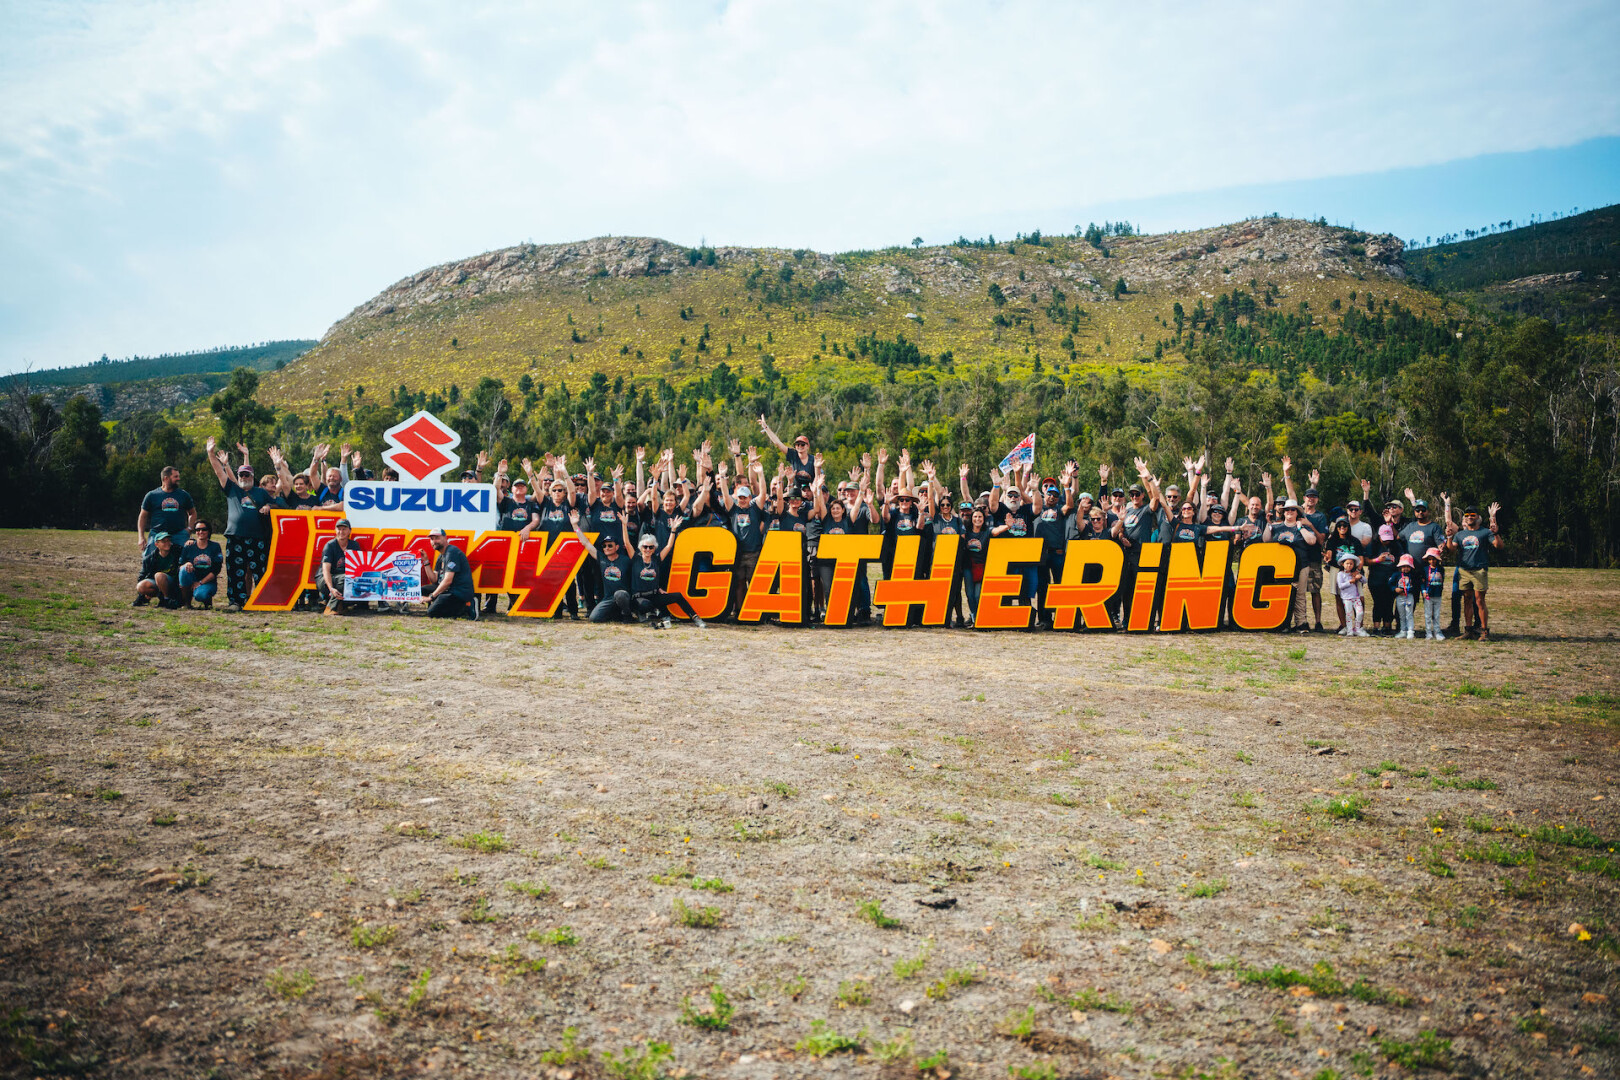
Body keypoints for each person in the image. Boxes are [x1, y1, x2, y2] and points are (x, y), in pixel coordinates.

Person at [205, 437, 273, 610]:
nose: (244, 477)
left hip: (257, 538)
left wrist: (268, 506)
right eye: (241, 474)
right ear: (238, 476)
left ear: (252, 476)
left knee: (260, 571)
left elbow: (276, 503)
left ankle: (263, 600)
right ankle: (236, 602)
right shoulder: (232, 489)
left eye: (247, 474)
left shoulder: (261, 492)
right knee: (235, 571)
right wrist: (210, 453)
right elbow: (218, 471)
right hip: (236, 537)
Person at [1447, 503, 1503, 641]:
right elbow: (1451, 549)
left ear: (1477, 517)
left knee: (1479, 600)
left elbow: (1499, 546)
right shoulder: (1460, 535)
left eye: (1473, 515)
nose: (1470, 517)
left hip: (1479, 570)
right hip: (1464, 570)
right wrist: (1449, 537)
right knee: (1467, 600)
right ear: (1464, 518)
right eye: (1467, 515)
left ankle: (1484, 631)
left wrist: (1496, 533)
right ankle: (1468, 630)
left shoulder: (1485, 532)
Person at [1264, 499, 1317, 634]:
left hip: (1300, 565)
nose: (1289, 512)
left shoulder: (1301, 527)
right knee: (1282, 594)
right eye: (1287, 510)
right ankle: (1283, 622)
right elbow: (1265, 540)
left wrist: (1300, 528)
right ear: (1283, 512)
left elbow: (1312, 541)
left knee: (1299, 595)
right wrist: (1268, 524)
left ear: (1297, 512)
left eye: (1293, 510)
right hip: (1281, 567)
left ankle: (1301, 623)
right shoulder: (1276, 527)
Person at [573, 508, 633, 623]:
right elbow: (585, 543)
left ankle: (627, 615)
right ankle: (614, 613)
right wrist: (575, 525)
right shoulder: (602, 559)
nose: (606, 548)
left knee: (620, 594)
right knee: (594, 618)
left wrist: (624, 525)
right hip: (608, 598)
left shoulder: (625, 560)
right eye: (604, 546)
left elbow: (627, 543)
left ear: (617, 547)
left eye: (610, 545)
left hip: (624, 596)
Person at [137, 466, 197, 553]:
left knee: (184, 560)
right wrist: (141, 537)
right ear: (166, 478)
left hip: (179, 534)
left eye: (178, 476)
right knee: (149, 559)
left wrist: (189, 529)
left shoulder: (183, 495)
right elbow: (143, 516)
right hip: (157, 534)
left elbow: (192, 513)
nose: (178, 479)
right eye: (175, 476)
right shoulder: (152, 495)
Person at [424, 528, 477, 619]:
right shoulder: (441, 556)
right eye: (431, 539)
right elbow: (434, 580)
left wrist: (431, 597)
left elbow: (448, 581)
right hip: (448, 589)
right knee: (422, 590)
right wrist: (425, 561)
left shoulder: (451, 553)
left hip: (458, 592)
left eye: (437, 538)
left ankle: (467, 605)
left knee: (432, 612)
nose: (434, 541)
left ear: (445, 538)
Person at [178, 520, 222, 609]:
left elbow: (216, 570)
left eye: (204, 529)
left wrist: (200, 582)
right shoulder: (188, 546)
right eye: (198, 529)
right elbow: (180, 565)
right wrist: (187, 563)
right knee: (184, 570)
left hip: (207, 581)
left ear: (208, 531)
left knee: (200, 595)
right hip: (192, 578)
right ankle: (187, 603)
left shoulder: (215, 546)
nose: (200, 532)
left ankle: (207, 601)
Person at [134, 532, 181, 608]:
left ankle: (167, 599)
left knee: (159, 575)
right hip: (158, 583)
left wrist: (191, 540)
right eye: (163, 541)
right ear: (156, 544)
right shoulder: (150, 558)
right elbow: (142, 575)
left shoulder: (177, 551)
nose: (167, 543)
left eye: (168, 540)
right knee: (141, 586)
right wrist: (142, 594)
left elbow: (188, 552)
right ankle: (160, 596)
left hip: (174, 582)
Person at [319, 518, 356, 616]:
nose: (341, 532)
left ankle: (341, 605)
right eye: (339, 529)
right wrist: (331, 589)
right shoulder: (330, 546)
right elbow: (325, 571)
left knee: (353, 580)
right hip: (326, 579)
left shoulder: (354, 545)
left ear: (349, 531)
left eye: (344, 529)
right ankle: (331, 608)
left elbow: (358, 567)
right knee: (345, 579)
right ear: (335, 530)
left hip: (342, 579)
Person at [1335, 554, 1368, 637]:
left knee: (1360, 613)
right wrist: (1350, 582)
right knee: (1349, 614)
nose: (1349, 565)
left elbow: (1364, 581)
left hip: (1356, 597)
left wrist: (1359, 577)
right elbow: (1341, 586)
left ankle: (1357, 628)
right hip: (1346, 598)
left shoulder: (1355, 573)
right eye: (1347, 563)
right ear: (1343, 564)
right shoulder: (1340, 574)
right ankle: (1349, 630)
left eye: (1351, 564)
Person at [1421, 547, 1446, 641]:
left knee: (1436, 615)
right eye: (1430, 559)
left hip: (1437, 595)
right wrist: (1423, 591)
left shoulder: (1441, 569)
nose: (1432, 561)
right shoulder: (1425, 569)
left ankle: (1437, 632)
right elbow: (1422, 582)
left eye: (1434, 559)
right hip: (1428, 595)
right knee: (1428, 615)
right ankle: (1428, 632)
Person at [1392, 553, 1419, 639]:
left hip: (1409, 596)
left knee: (1409, 614)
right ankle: (1403, 631)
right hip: (1400, 597)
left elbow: (1416, 586)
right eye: (1403, 566)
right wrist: (1395, 589)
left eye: (1407, 566)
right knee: (1402, 615)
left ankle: (1410, 631)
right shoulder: (1396, 575)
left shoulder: (1413, 576)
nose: (1405, 568)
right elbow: (1390, 584)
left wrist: (1408, 590)